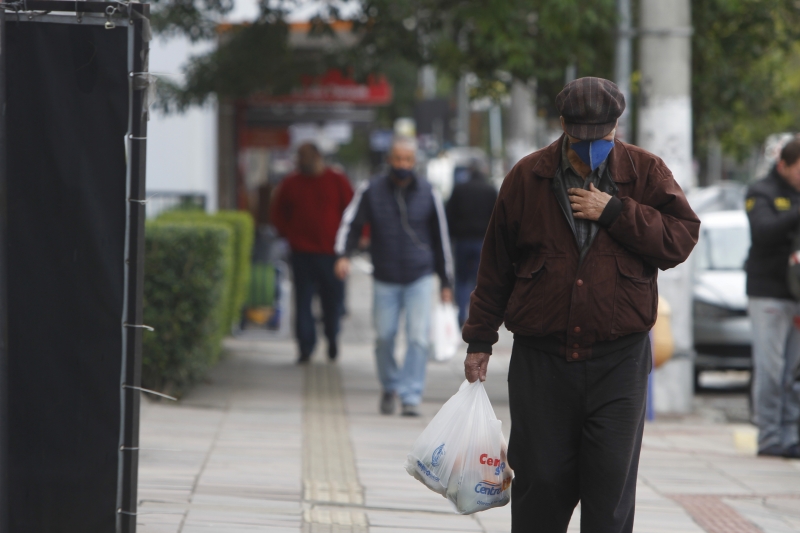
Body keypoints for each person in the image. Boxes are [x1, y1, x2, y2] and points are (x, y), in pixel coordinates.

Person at [462, 77, 700, 532]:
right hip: (542, 363)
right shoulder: (527, 177)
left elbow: (680, 238)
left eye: (602, 138)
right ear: (563, 125)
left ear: (616, 127)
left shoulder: (646, 172)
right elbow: (495, 266)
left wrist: (614, 211)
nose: (592, 147)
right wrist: (479, 339)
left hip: (619, 362)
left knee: (609, 492)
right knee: (541, 486)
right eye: (581, 138)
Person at [335, 137, 454, 417]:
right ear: (389, 159)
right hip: (385, 276)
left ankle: (411, 395)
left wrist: (446, 282)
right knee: (385, 337)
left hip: (419, 277)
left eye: (408, 160)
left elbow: (442, 240)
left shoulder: (429, 192)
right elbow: (351, 223)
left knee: (418, 339)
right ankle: (390, 386)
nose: (403, 164)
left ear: (414, 162)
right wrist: (343, 255)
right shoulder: (371, 189)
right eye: (398, 159)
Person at [271, 143, 354, 364]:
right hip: (302, 254)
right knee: (303, 302)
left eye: (306, 157)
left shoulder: (337, 181)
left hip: (332, 254)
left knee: (332, 302)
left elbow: (352, 211)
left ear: (318, 156)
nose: (303, 161)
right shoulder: (291, 183)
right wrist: (289, 235)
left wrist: (353, 241)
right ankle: (305, 347)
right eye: (300, 157)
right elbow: (278, 213)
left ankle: (332, 336)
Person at [745, 137, 800, 459]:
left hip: (797, 295)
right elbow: (763, 231)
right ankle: (768, 437)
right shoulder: (761, 192)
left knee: (794, 372)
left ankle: (791, 436)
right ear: (784, 165)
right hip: (768, 294)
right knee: (770, 370)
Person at [446, 161, 498, 325]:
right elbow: (498, 217)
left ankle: (462, 314)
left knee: (461, 279)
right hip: (483, 241)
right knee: (481, 280)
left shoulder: (459, 189)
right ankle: (479, 316)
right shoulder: (490, 190)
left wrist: (453, 236)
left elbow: (449, 215)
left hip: (462, 241)